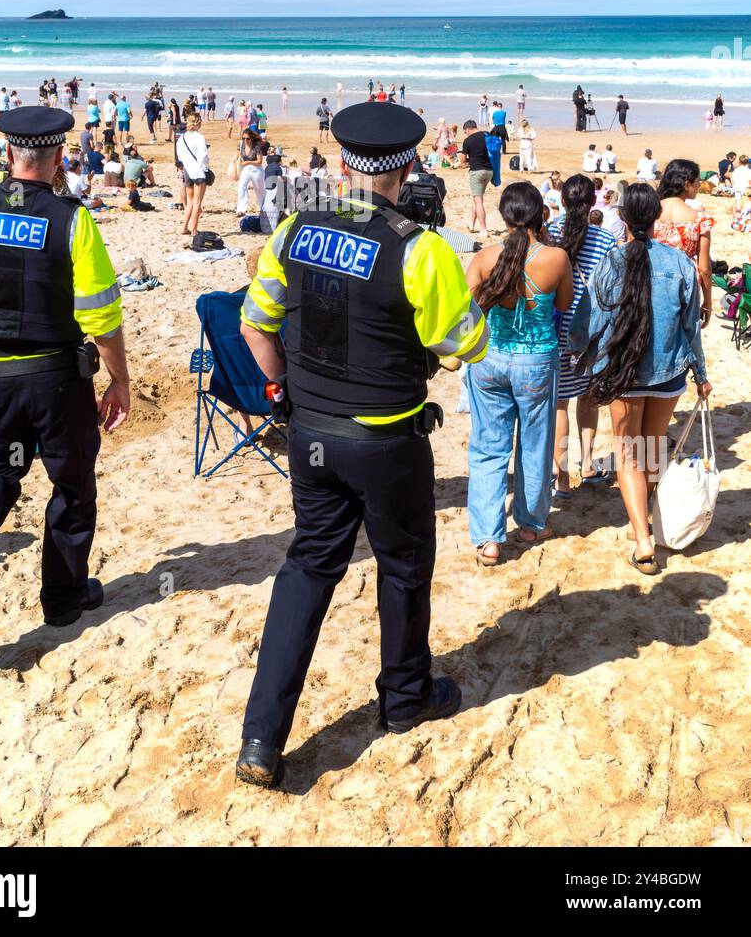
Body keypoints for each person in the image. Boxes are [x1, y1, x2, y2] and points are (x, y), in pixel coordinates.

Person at [235, 102, 489, 787]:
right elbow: (465, 345)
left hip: (312, 434)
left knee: (308, 567)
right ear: (405, 168)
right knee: (402, 566)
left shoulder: (294, 228)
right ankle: (404, 698)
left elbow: (255, 326)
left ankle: (261, 736)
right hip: (386, 439)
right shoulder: (419, 247)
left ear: (344, 163)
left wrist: (287, 392)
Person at [0, 106, 130, 667]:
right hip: (56, 380)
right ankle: (63, 599)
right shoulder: (71, 219)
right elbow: (101, 318)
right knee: (71, 485)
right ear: (60, 157)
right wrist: (119, 380)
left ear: (8, 155)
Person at [569, 183, 710, 576]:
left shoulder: (611, 262)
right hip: (668, 376)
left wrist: (578, 351)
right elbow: (691, 327)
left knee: (629, 455)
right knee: (650, 450)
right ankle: (642, 522)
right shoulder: (680, 263)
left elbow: (588, 321)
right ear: (656, 219)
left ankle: (643, 539)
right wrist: (701, 373)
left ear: (624, 219)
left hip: (624, 375)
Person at [465, 182, 573, 566]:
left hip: (490, 358)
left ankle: (489, 539)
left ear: (504, 216)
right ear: (541, 214)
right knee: (535, 443)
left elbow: (467, 309)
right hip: (537, 362)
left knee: (488, 447)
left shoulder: (484, 257)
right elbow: (562, 305)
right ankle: (530, 523)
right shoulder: (556, 258)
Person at [548, 175, 616, 496]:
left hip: (553, 327)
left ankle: (561, 479)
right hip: (589, 332)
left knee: (559, 403)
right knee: (588, 399)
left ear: (562, 201)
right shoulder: (605, 240)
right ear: (593, 203)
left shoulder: (548, 234)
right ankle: (587, 465)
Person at [655, 160, 713, 328]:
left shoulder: (651, 210)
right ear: (686, 184)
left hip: (652, 276)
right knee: (685, 334)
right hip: (685, 282)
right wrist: (708, 303)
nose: (699, 185)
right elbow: (704, 268)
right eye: (697, 182)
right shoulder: (699, 219)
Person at [176, 111, 210, 236]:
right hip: (198, 172)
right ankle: (194, 230)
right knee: (197, 203)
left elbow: (180, 156)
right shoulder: (199, 137)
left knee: (190, 202)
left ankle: (184, 228)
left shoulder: (182, 138)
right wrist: (203, 168)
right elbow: (203, 155)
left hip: (187, 171)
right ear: (197, 123)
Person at [460, 120, 493, 236]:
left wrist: (471, 159)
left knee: (478, 201)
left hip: (477, 172)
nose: (466, 134)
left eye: (465, 132)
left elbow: (462, 160)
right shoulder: (487, 134)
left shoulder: (468, 141)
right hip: (489, 170)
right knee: (477, 197)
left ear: (467, 129)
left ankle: (483, 229)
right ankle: (471, 224)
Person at [237, 130, 266, 216]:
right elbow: (237, 156)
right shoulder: (241, 144)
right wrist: (236, 169)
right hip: (245, 169)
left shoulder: (256, 147)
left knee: (259, 190)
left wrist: (248, 162)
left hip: (256, 169)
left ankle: (262, 207)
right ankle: (241, 209)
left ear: (252, 138)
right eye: (244, 138)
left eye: (248, 138)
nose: (245, 140)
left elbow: (259, 161)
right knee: (241, 187)